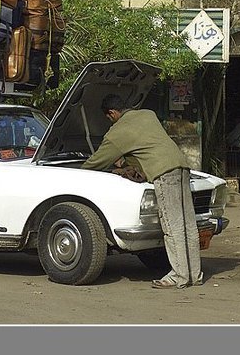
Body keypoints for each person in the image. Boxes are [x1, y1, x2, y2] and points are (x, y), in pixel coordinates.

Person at [81, 94, 203, 289]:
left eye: (109, 118)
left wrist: (80, 171)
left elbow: (96, 163)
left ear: (112, 113)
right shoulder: (148, 114)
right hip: (181, 166)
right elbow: (147, 145)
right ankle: (194, 275)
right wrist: (126, 163)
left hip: (163, 173)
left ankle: (179, 276)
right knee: (188, 224)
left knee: (172, 227)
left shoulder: (117, 132)